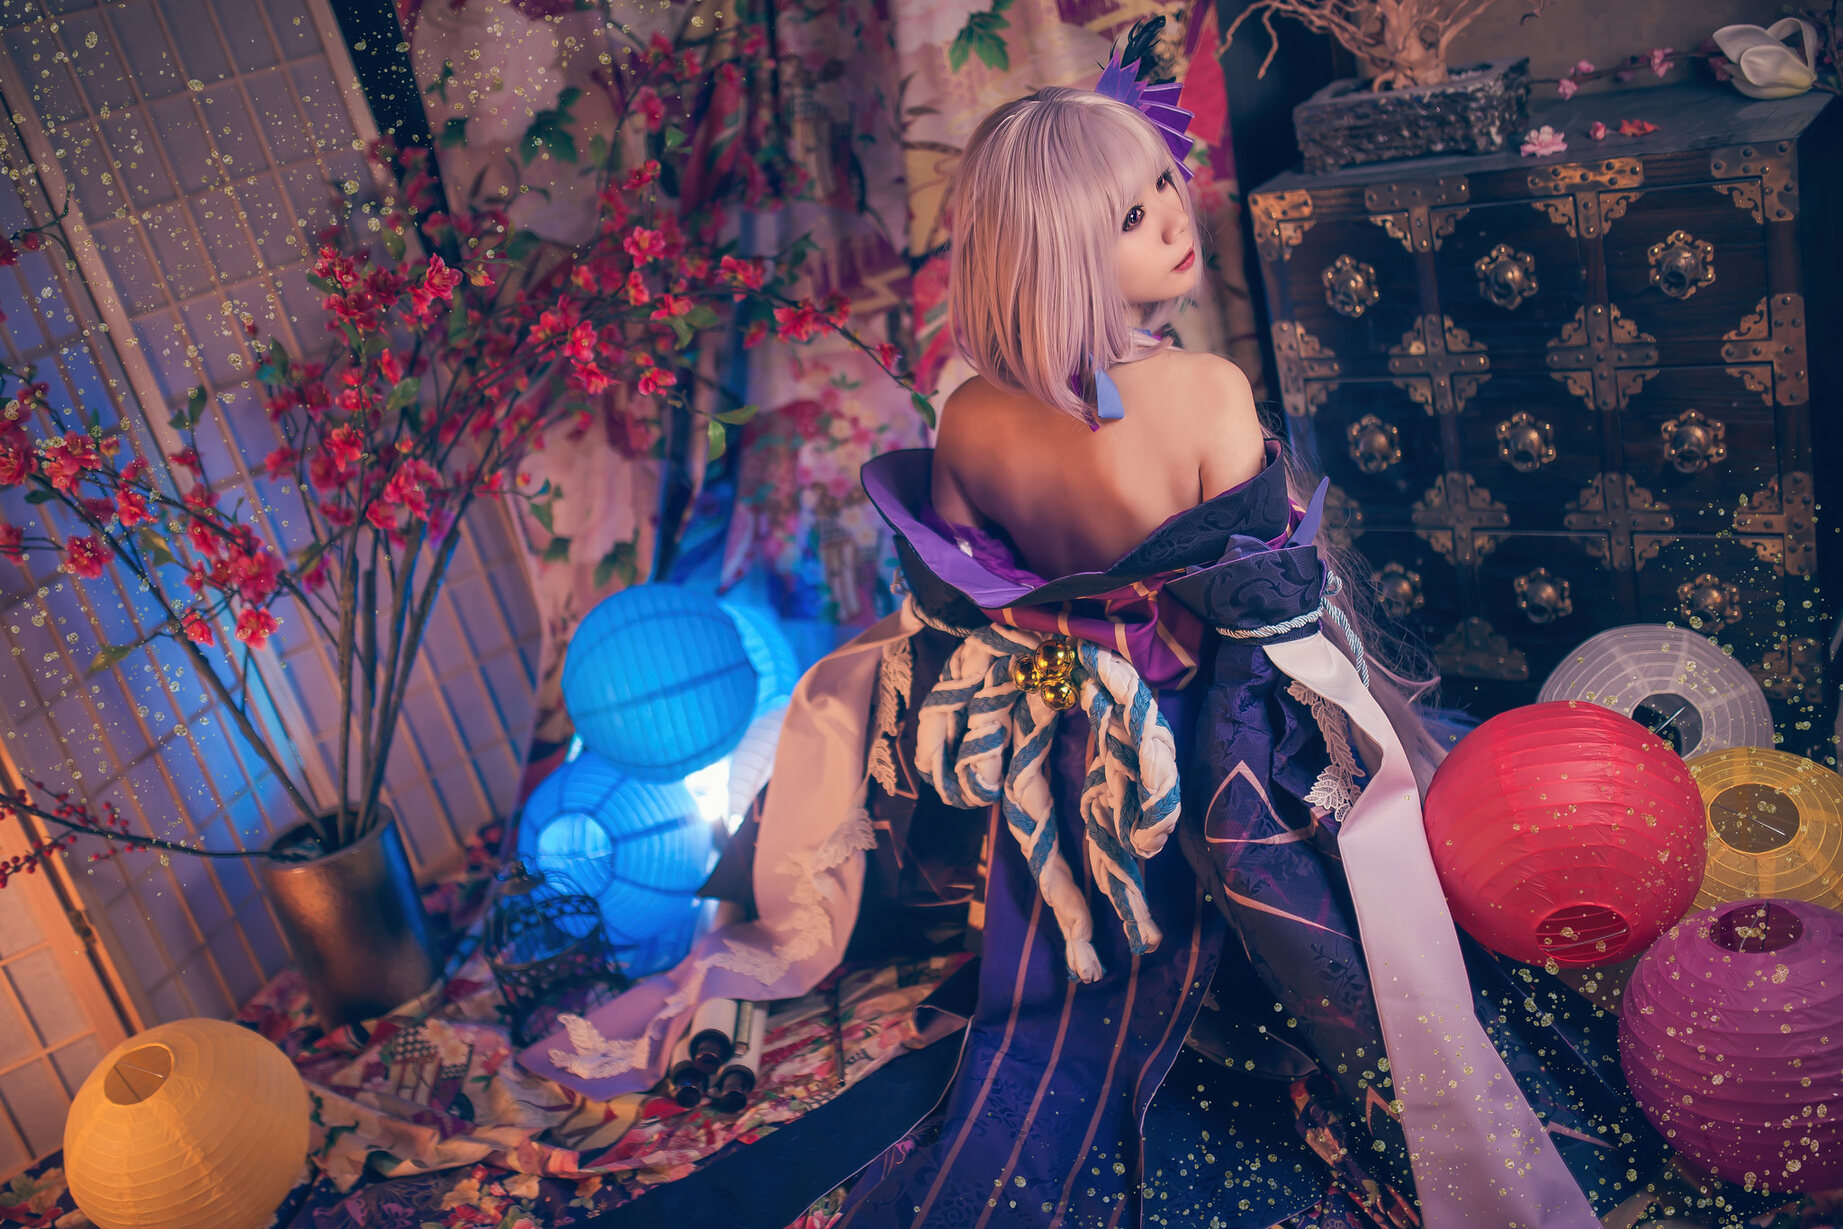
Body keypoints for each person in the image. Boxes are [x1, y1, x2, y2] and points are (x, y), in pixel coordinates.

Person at [524, 32, 1662, 1229]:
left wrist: (1080, 664)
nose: (1175, 216)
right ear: (1058, 253)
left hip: (1078, 760)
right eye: (1129, 215)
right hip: (1225, 748)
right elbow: (1275, 614)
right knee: (1389, 875)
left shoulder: (969, 416)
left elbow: (976, 604)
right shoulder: (1205, 391)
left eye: (1164, 182)